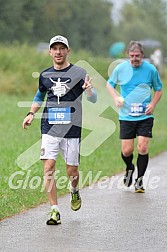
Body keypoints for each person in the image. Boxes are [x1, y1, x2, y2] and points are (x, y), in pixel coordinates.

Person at [22, 35, 97, 225]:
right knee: (48, 167)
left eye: (62, 48)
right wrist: (31, 113)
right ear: (49, 52)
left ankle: (74, 191)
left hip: (72, 129)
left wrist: (88, 90)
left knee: (72, 170)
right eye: (54, 48)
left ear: (67, 51)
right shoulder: (45, 75)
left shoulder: (79, 73)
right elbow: (39, 95)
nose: (58, 52)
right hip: (50, 128)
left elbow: (93, 98)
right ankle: (54, 210)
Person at [106, 40, 162, 193]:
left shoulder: (150, 70)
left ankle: (139, 180)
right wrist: (116, 97)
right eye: (132, 56)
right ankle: (129, 167)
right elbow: (109, 84)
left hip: (145, 115)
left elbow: (158, 89)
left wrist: (153, 104)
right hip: (126, 116)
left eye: (137, 56)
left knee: (143, 146)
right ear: (128, 55)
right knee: (126, 151)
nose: (135, 59)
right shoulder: (121, 68)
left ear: (143, 55)